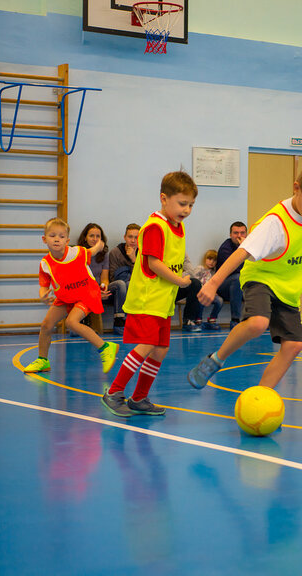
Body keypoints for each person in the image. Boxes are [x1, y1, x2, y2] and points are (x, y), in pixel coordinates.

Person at [188, 162, 302, 391]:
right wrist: (213, 283)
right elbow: (242, 253)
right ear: (296, 188)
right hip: (261, 278)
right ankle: (216, 359)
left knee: (293, 345)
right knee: (258, 323)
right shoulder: (274, 224)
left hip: (288, 289)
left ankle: (262, 395)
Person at [101, 171, 197, 417]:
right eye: (182, 203)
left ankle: (139, 398)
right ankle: (114, 392)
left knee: (161, 349)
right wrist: (180, 281)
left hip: (163, 301)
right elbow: (154, 263)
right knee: (146, 345)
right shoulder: (156, 226)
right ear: (164, 198)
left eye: (191, 205)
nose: (186, 210)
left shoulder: (178, 226)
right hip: (147, 299)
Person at [23, 217, 120, 374]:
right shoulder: (45, 263)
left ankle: (106, 347)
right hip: (65, 297)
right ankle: (42, 360)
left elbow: (93, 251)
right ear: (44, 239)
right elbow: (43, 286)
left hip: (86, 294)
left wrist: (100, 245)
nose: (57, 239)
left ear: (67, 240)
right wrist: (43, 296)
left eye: (61, 237)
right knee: (46, 325)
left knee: (71, 322)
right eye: (52, 235)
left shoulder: (77, 253)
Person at [76, 222, 123, 332]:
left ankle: (119, 322)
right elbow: (80, 280)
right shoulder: (79, 252)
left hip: (98, 288)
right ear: (85, 238)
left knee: (120, 284)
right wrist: (96, 292)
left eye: (98, 236)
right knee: (75, 333)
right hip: (84, 289)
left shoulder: (104, 254)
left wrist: (103, 287)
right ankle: (81, 322)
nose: (95, 239)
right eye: (91, 236)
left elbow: (105, 278)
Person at [107, 223, 140, 335]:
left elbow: (143, 277)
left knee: (129, 283)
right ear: (124, 237)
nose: (133, 240)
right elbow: (112, 278)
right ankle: (119, 322)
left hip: (133, 286)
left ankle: (132, 323)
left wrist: (133, 259)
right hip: (116, 287)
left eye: (136, 237)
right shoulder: (115, 252)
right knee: (122, 283)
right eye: (130, 237)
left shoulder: (143, 253)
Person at [215, 221, 247, 328]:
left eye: (242, 233)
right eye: (236, 233)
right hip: (224, 286)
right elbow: (235, 269)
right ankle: (235, 319)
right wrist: (244, 248)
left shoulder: (251, 247)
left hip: (243, 284)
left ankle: (266, 319)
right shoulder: (225, 248)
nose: (239, 236)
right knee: (237, 278)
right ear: (230, 234)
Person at [189, 249, 223, 330]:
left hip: (210, 293)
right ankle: (198, 319)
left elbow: (215, 284)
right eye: (209, 259)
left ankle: (212, 319)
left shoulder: (214, 273)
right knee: (201, 300)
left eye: (214, 260)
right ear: (205, 259)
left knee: (220, 301)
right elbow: (194, 280)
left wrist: (214, 291)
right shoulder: (200, 268)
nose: (212, 262)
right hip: (200, 292)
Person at [177, 254, 204, 333]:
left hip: (175, 284)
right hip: (160, 288)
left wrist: (175, 278)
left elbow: (190, 273)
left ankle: (188, 320)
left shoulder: (182, 249)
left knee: (195, 283)